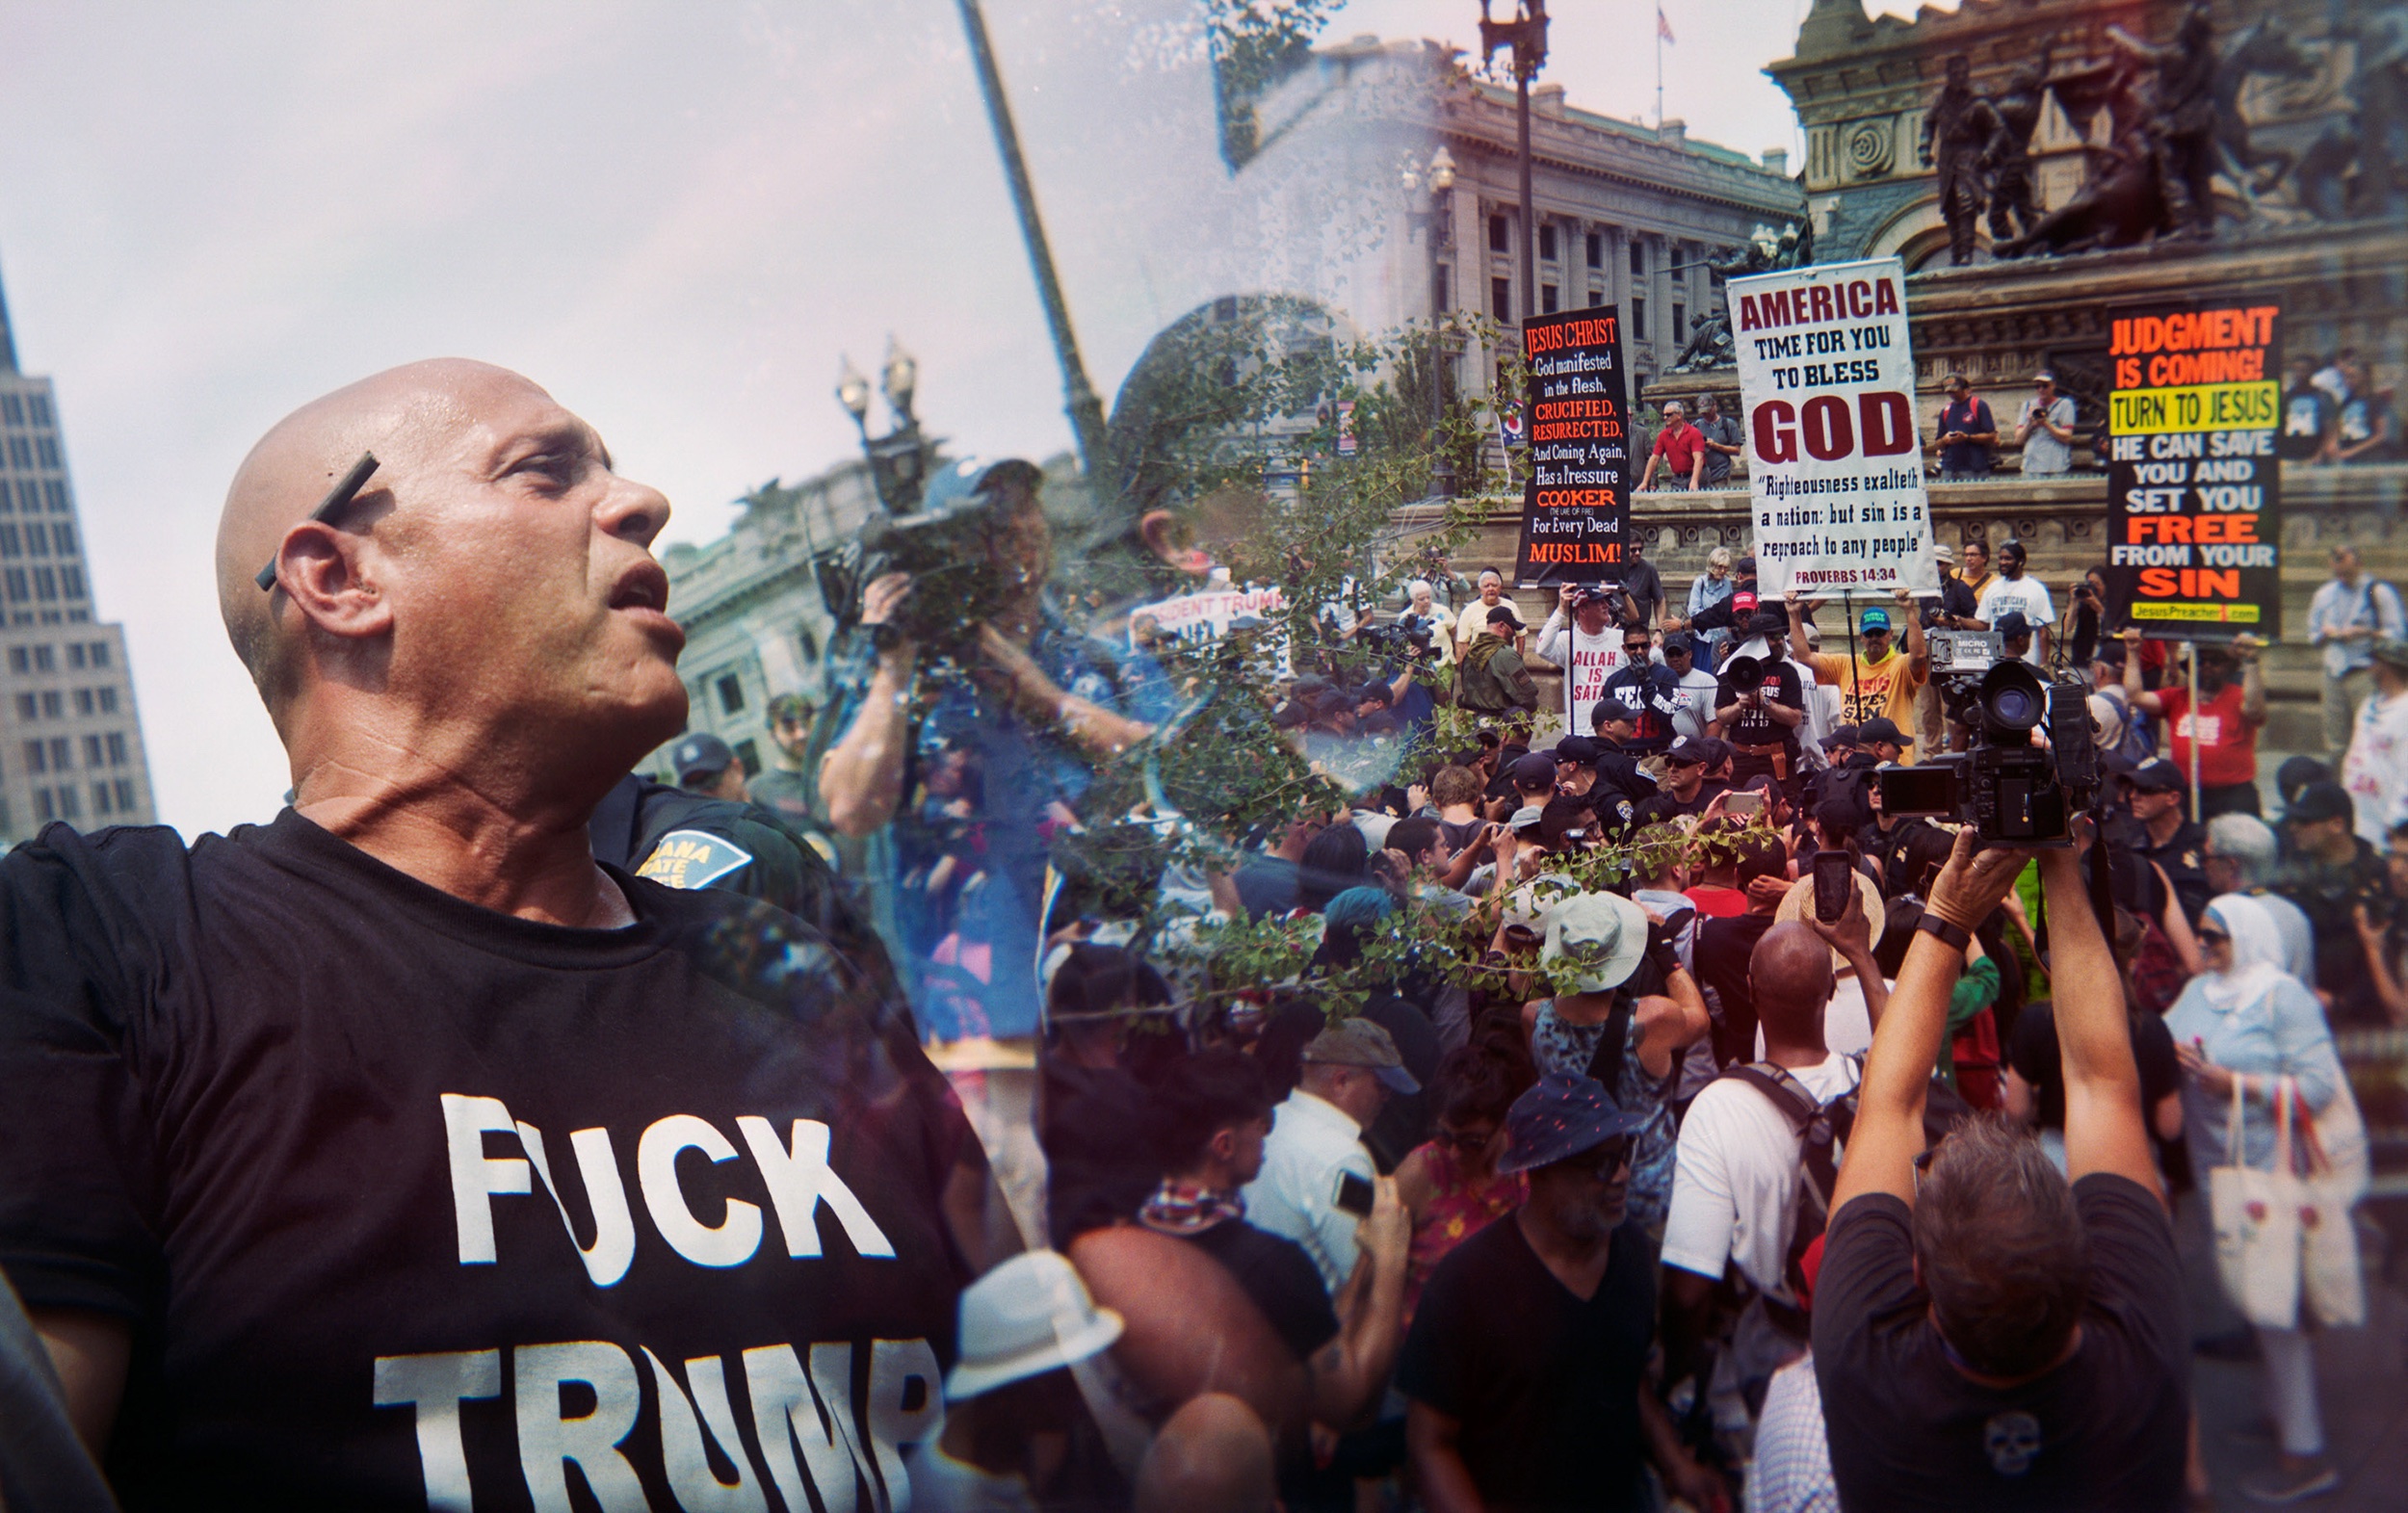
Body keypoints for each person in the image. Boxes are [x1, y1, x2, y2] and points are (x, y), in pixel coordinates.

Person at [0, 359, 986, 1505]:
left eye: (611, 468)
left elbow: (1024, 1377)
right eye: (545, 470)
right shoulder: (107, 943)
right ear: (339, 575)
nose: (639, 501)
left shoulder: (781, 958)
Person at [1813, 833, 2190, 1510]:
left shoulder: (1863, 1371)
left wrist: (1948, 913)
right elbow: (2102, 1082)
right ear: (2089, 1261)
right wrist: (2060, 863)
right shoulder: (2142, 1371)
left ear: (1920, 1273)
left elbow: (1888, 1110)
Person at [818, 456, 1166, 1050]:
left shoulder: (1102, 660)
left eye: (1024, 505)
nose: (1016, 528)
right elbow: (850, 809)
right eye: (988, 516)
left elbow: (1169, 767)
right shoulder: (905, 687)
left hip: (1139, 985)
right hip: (991, 1027)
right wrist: (894, 663)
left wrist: (1041, 696)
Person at [1400, 1073, 1727, 1513]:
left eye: (1623, 1154)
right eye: (1600, 1163)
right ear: (1541, 1172)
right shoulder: (1466, 1284)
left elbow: (1622, 1373)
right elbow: (1430, 1442)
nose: (1622, 1175)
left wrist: (1675, 1462)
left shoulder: (1629, 1248)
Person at [2165, 894, 2355, 1504]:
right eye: (2201, 935)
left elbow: (2321, 1086)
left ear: (2247, 938)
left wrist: (2235, 1084)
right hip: (2223, 1171)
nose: (2204, 947)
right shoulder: (2204, 990)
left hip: (2277, 1172)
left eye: (2215, 938)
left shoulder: (2281, 997)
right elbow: (2169, 1033)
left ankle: (2304, 1453)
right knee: (2257, 1290)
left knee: (2280, 1308)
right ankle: (2282, 1414)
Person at [1662, 923, 1870, 1424]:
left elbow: (1689, 1289)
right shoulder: (1873, 1086)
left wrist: (1675, 1373)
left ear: (1751, 992)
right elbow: (1906, 1063)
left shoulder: (1716, 1109)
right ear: (1833, 989)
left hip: (1767, 1383)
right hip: (1870, 1354)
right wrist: (1862, 956)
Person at [1526, 893, 1711, 1237]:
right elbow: (1699, 1019)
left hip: (1577, 1193)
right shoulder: (1655, 1017)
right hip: (1646, 1196)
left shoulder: (1534, 1018)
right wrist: (1663, 949)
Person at [920, 1249, 1125, 1513]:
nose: (1078, 1391)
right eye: (1061, 1379)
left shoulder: (984, 1440)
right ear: (1012, 1391)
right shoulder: (966, 1503)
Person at [1244, 1020, 1421, 1293]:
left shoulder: (1273, 1118)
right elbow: (1366, 1270)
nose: (1386, 1099)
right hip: (1315, 1324)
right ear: (1341, 1081)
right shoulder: (1344, 1159)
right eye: (1381, 1087)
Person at [1394, 1044, 1534, 1322]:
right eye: (1444, 1136)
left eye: (1473, 1142)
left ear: (1504, 1123)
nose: (1454, 1153)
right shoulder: (1421, 1172)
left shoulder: (1528, 1170)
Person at [2275, 780, 2393, 1029]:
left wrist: (2343, 1002)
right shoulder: (2290, 876)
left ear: (2337, 824)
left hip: (2368, 1018)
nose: (2294, 828)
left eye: (2306, 822)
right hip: (2306, 1011)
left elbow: (2390, 952)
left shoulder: (2380, 877)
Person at [2122, 631, 2267, 819]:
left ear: (2228, 667)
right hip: (2188, 793)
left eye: (2215, 661)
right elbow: (2135, 696)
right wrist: (2133, 653)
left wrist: (2251, 662)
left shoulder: (2240, 696)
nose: (2207, 666)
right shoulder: (2177, 697)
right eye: (2200, 661)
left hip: (2233, 794)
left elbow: (2256, 712)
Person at [1785, 588, 1929, 750]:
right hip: (1855, 759)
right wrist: (1794, 615)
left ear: (1890, 634)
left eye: (1879, 632)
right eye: (1869, 633)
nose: (1874, 638)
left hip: (1893, 759)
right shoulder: (1846, 664)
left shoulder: (1900, 665)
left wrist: (1909, 611)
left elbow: (1918, 656)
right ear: (1861, 637)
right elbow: (1804, 657)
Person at [2309, 546, 2406, 764]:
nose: (2342, 577)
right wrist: (2325, 635)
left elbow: (2398, 633)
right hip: (2333, 671)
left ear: (2359, 565)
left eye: (2347, 572)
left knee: (2370, 735)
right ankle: (2340, 790)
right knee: (2336, 741)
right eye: (2338, 572)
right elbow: (2313, 635)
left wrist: (2368, 633)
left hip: (2366, 671)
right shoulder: (2325, 595)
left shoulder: (2377, 592)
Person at [2201, 814, 2317, 984]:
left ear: (2231, 865)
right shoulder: (2294, 914)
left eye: (2206, 858)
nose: (2203, 866)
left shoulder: (2219, 916)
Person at [1714, 613, 1808, 791]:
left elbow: (1794, 718)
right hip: (1739, 758)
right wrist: (1739, 706)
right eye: (1774, 637)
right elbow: (1720, 716)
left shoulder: (1787, 671)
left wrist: (1765, 702)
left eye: (1781, 636)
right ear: (1758, 641)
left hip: (1775, 758)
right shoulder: (1732, 671)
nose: (1780, 642)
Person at [2119, 757, 2212, 925]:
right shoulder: (2129, 845)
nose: (2133, 796)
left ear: (2173, 798)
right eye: (2130, 789)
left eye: (2144, 789)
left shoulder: (2203, 844)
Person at [2342, 636, 2408, 841]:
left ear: (2386, 665)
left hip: (2388, 826)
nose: (2369, 666)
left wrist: (2397, 819)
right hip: (2358, 818)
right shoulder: (2368, 704)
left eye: (2374, 661)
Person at [1537, 585, 1627, 730]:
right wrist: (1561, 609)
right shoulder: (1567, 639)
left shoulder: (1621, 638)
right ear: (1583, 609)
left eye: (1606, 601)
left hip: (1613, 732)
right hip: (1578, 730)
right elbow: (1542, 649)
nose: (1606, 606)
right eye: (1599, 602)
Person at [1596, 624, 1684, 755]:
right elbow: (1606, 724)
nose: (1639, 651)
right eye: (1633, 647)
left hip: (1657, 755)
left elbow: (1666, 714)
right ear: (1624, 649)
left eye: (1644, 645)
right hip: (1624, 755)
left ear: (1650, 645)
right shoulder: (1614, 681)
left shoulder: (1667, 676)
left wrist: (1645, 682)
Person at [1974, 538, 2054, 666]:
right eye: (2000, 558)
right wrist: (1958, 620)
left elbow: (2043, 631)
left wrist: (2043, 664)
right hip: (1997, 660)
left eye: (2008, 558)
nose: (2002, 562)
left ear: (2021, 562)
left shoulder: (2036, 588)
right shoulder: (1992, 588)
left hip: (2028, 660)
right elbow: (1983, 623)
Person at [1456, 605, 1539, 722]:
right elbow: (1525, 695)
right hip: (1498, 725)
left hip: (1472, 724)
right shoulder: (1505, 654)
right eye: (1512, 628)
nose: (1514, 634)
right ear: (1501, 626)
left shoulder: (1472, 651)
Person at [2332, 355, 2401, 463]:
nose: (2347, 381)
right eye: (2345, 377)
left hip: (2371, 458)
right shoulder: (2345, 403)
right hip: (2348, 458)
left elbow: (2381, 434)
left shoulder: (2375, 401)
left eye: (2352, 376)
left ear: (2364, 377)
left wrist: (2352, 451)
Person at [1931, 374, 1998, 481]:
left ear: (1965, 389)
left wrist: (1966, 437)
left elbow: (1991, 436)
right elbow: (1938, 442)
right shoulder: (1946, 411)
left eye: (1954, 391)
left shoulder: (1978, 405)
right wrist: (1945, 439)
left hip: (1974, 468)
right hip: (1949, 468)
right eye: (1949, 392)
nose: (1952, 394)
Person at [1678, 547, 1738, 664]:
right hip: (1703, 636)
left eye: (1725, 568)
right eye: (1719, 567)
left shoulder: (1727, 583)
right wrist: (1709, 620)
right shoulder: (1700, 583)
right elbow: (1694, 610)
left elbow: (1728, 608)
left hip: (1721, 636)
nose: (1722, 571)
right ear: (1712, 565)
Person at [2014, 371, 2079, 475]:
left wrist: (2046, 423)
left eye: (2045, 386)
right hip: (2030, 466)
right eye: (2037, 386)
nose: (2041, 390)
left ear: (2053, 386)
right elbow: (2018, 440)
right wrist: (2030, 424)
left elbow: (2067, 437)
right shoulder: (2028, 405)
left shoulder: (2065, 405)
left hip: (2055, 466)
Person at [1661, 633, 1721, 742]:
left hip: (1695, 752)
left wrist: (1705, 752)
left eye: (1679, 654)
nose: (1675, 658)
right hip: (1663, 750)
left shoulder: (1706, 681)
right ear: (1664, 657)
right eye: (1670, 654)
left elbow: (1714, 723)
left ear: (1690, 654)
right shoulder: (1657, 681)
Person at [2279, 353, 2338, 463]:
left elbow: (2331, 429)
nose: (2300, 374)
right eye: (2296, 370)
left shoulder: (2323, 397)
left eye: (2304, 370)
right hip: (2288, 454)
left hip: (2313, 453)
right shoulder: (2286, 397)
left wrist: (2319, 454)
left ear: (2312, 372)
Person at [1638, 400, 1708, 491]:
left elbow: (1698, 458)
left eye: (1669, 415)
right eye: (1664, 415)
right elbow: (1654, 459)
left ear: (1679, 415)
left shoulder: (1694, 433)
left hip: (1698, 475)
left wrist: (1694, 481)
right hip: (1678, 478)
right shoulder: (1663, 435)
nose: (1665, 417)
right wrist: (1644, 482)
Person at [668, 729, 749, 801]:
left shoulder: (761, 804)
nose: (704, 794)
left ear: (737, 770)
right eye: (692, 789)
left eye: (711, 781)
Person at [1452, 570, 1515, 659]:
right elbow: (1462, 642)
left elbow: (1521, 635)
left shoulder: (1511, 606)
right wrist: (1473, 662)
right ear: (1480, 589)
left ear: (1500, 587)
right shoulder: (1469, 611)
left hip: (1506, 661)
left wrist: (1518, 658)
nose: (1490, 589)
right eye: (1486, 586)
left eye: (1494, 585)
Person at [1694, 392, 1745, 489]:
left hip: (1721, 475)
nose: (1705, 415)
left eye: (1707, 411)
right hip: (1702, 475)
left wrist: (1715, 446)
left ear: (1714, 406)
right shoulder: (1697, 425)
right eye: (1703, 413)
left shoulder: (1728, 424)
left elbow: (1737, 450)